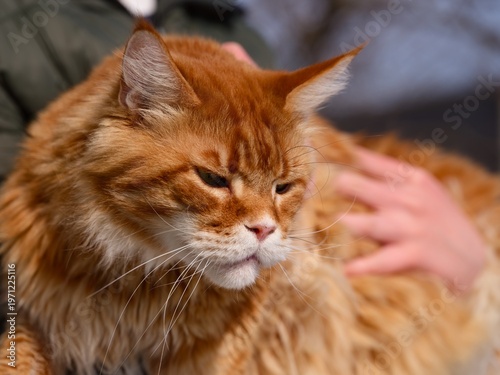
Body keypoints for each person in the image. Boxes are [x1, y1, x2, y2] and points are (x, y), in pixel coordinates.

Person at [0, 0, 486, 294]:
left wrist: (478, 272)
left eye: (278, 190)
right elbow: (13, 299)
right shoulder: (14, 28)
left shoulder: (238, 27)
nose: (262, 225)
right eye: (214, 180)